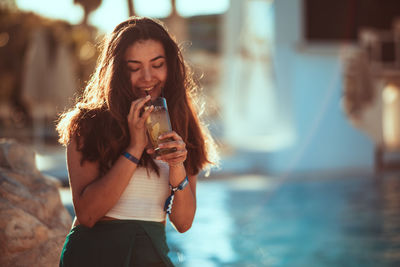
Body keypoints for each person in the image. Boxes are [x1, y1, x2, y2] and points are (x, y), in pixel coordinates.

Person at [57, 16, 218, 267]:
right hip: (93, 256)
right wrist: (134, 147)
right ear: (118, 71)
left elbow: (184, 223)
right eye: (134, 67)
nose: (147, 77)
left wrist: (177, 166)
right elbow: (87, 215)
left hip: (151, 256)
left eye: (157, 64)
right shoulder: (88, 123)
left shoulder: (183, 124)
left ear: (171, 67)